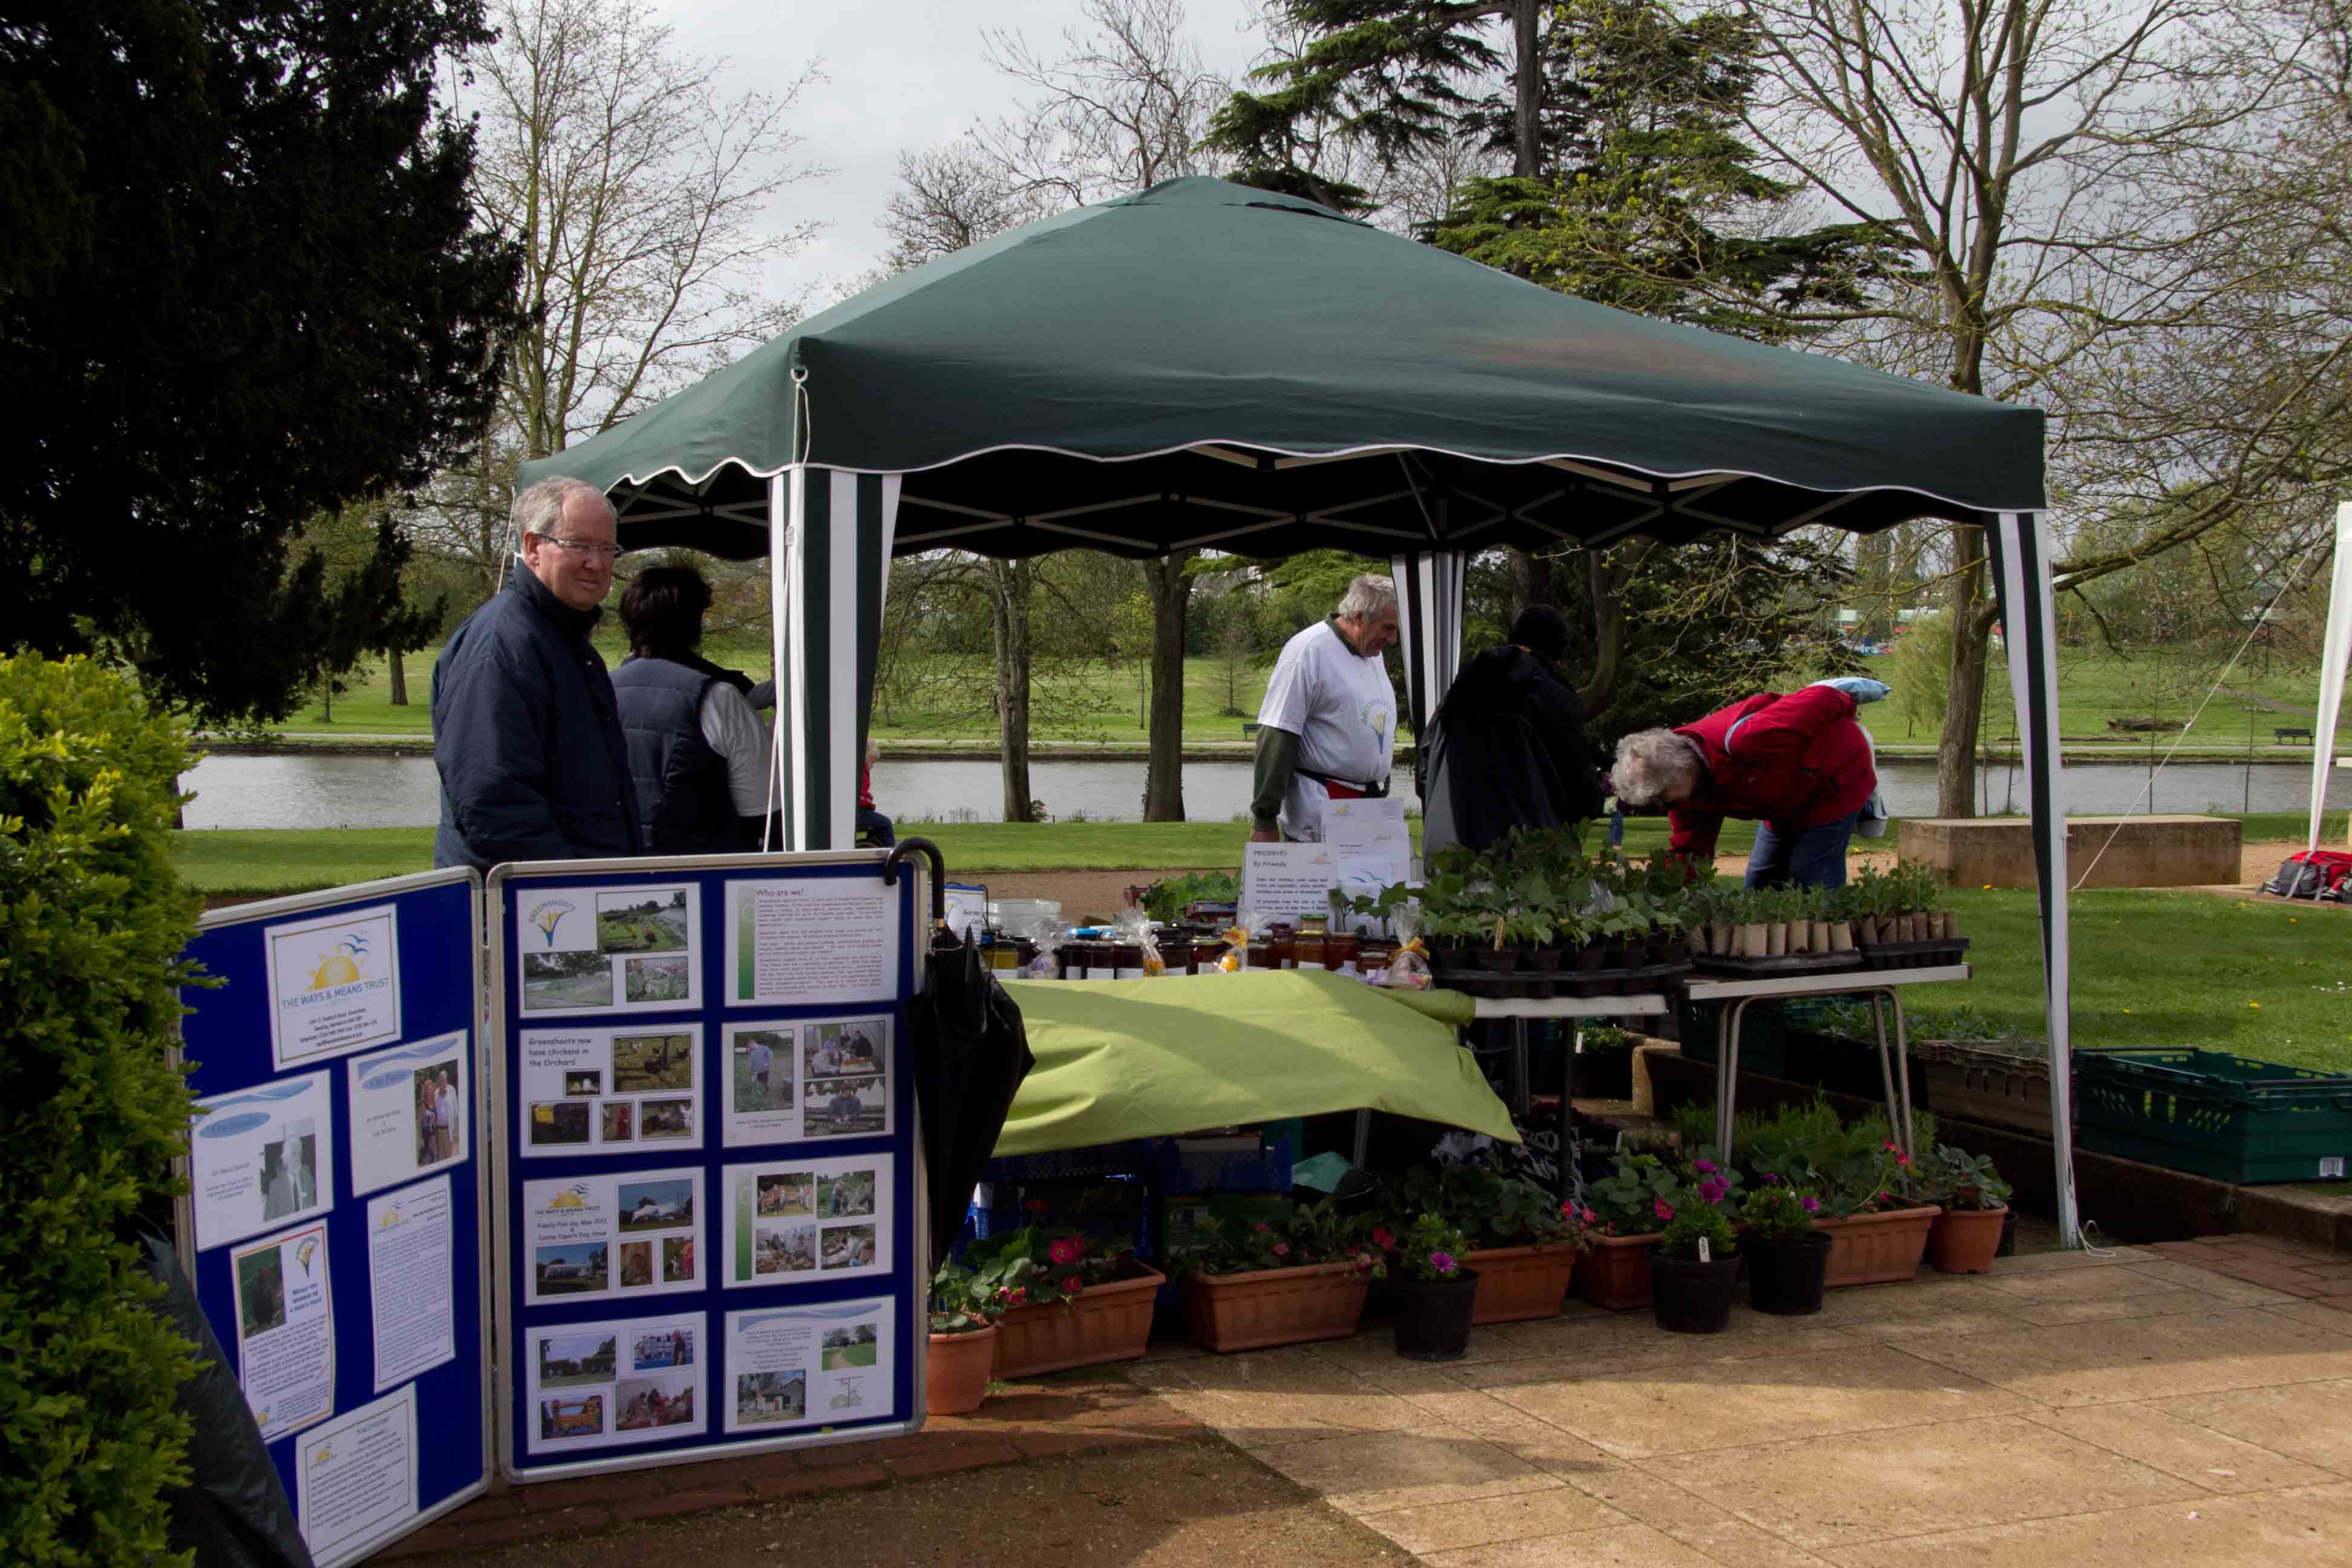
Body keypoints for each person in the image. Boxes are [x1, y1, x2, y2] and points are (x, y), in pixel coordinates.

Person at [431, 477, 643, 870]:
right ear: (533, 548)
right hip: (525, 911)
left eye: (606, 548)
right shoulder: (503, 646)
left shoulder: (565, 640)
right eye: (578, 545)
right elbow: (491, 802)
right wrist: (574, 886)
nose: (595, 563)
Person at [1609, 676, 1890, 888]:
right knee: (1760, 882)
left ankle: (1820, 958)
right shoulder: (1688, 795)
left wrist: (1849, 715)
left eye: (1660, 796)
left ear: (1678, 771)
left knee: (1811, 878)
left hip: (1835, 779)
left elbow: (1821, 698)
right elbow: (1690, 853)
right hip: (1782, 800)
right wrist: (1663, 888)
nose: (1661, 805)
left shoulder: (1744, 739)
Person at [610, 564, 774, 855]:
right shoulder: (718, 698)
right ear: (694, 623)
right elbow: (761, 809)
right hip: (703, 874)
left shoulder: (599, 689)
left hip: (615, 867)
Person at [1420, 605, 1607, 855]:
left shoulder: (1464, 688)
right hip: (1529, 852)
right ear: (1559, 649)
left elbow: (1425, 763)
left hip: (1451, 846)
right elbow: (1578, 782)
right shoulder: (1552, 694)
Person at [1249, 574, 1401, 843]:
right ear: (1358, 617)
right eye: (1388, 628)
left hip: (1369, 810)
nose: (1393, 640)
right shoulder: (1309, 650)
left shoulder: (1372, 655)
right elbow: (1278, 733)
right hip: (1321, 811)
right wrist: (1265, 818)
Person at [856, 739, 893, 846]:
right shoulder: (860, 773)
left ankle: (872, 845)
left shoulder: (862, 772)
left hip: (861, 811)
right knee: (886, 824)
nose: (873, 765)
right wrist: (868, 798)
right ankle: (892, 853)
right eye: (872, 762)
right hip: (860, 812)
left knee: (878, 826)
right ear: (865, 758)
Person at [435, 1069, 459, 1161]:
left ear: (447, 1080)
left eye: (444, 1081)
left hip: (448, 1130)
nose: (443, 1083)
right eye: (441, 1081)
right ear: (438, 1081)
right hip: (438, 1131)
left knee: (449, 1157)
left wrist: (456, 1130)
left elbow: (456, 1111)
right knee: (441, 1158)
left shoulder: (452, 1090)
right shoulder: (435, 1093)